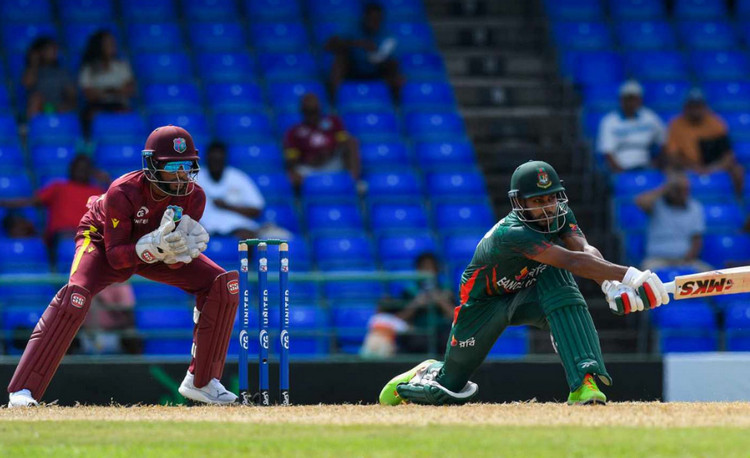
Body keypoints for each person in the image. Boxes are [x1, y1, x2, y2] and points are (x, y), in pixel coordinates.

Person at [378, 160, 671, 406]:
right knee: (449, 390)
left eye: (552, 198)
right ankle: (427, 373)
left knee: (558, 282)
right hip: (486, 303)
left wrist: (611, 285)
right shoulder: (514, 233)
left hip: (530, 290)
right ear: (520, 203)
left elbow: (584, 249)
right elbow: (573, 261)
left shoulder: (560, 214)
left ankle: (584, 384)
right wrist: (632, 276)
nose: (547, 208)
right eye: (538, 201)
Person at [7, 125, 240, 407]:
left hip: (153, 251)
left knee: (222, 283)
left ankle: (202, 382)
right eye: (173, 166)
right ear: (152, 165)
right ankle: (23, 391)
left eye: (187, 165)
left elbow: (176, 266)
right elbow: (117, 257)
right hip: (102, 242)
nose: (181, 175)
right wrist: (151, 246)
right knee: (75, 297)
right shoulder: (123, 190)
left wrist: (177, 254)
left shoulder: (195, 196)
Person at [0, 155, 107, 261]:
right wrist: (4, 203)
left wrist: (107, 181)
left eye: (85, 168)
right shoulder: (58, 188)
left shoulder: (98, 192)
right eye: (78, 168)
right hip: (62, 237)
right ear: (71, 169)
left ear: (91, 171)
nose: (81, 171)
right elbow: (30, 201)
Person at [361, 252, 455, 357]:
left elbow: (456, 317)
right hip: (417, 333)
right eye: (424, 267)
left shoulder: (446, 289)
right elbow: (399, 319)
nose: (428, 271)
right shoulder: (409, 290)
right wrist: (416, 304)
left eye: (431, 267)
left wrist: (441, 302)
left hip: (442, 332)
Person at [664, 88, 744, 195]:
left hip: (713, 165)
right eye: (692, 106)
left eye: (699, 106)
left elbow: (728, 155)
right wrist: (693, 167)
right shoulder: (676, 125)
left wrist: (713, 168)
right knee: (670, 173)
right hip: (686, 167)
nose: (695, 110)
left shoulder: (716, 123)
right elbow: (673, 156)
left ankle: (737, 203)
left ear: (705, 107)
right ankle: (678, 208)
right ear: (686, 107)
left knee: (738, 171)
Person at [636, 171, 713, 272]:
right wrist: (665, 187)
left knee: (710, 274)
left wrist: (685, 263)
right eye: (677, 190)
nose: (681, 193)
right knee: (645, 274)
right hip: (657, 260)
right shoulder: (657, 204)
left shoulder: (695, 207)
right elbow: (640, 201)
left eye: (685, 190)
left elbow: (697, 240)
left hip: (685, 260)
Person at [326, 2, 404, 100]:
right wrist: (358, 44)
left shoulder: (387, 37)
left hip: (377, 71)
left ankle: (395, 105)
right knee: (340, 58)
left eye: (378, 19)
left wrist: (380, 55)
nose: (375, 22)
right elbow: (329, 46)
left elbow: (392, 60)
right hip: (354, 69)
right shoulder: (353, 30)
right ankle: (334, 101)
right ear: (365, 18)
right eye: (372, 19)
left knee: (396, 70)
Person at [283, 93, 360, 188]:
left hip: (332, 162)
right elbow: (291, 159)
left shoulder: (333, 122)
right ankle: (302, 198)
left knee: (352, 142)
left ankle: (354, 183)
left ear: (320, 109)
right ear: (302, 111)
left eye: (314, 111)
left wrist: (328, 152)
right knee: (292, 175)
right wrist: (311, 158)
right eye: (308, 112)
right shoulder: (294, 132)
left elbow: (343, 141)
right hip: (309, 168)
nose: (312, 115)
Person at [196, 141, 265, 240]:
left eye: (219, 160)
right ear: (207, 159)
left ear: (225, 159)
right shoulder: (195, 178)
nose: (216, 163)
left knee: (248, 238)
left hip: (235, 225)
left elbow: (257, 210)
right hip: (203, 226)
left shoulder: (238, 177)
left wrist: (227, 206)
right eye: (213, 160)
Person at [596, 80, 665, 173]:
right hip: (621, 168)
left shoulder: (650, 117)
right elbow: (607, 152)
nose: (631, 102)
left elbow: (664, 142)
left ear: (640, 100)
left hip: (646, 167)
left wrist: (657, 163)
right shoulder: (610, 121)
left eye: (634, 98)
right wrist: (620, 171)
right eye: (628, 99)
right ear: (621, 100)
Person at [78, 30, 136, 137]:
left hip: (119, 105)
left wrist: (103, 91)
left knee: (128, 115)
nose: (112, 46)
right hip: (97, 106)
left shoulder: (122, 66)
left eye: (113, 43)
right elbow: (89, 95)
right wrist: (114, 90)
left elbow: (129, 90)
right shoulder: (89, 69)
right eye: (108, 44)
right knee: (90, 116)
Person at [21, 36, 77, 120]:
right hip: (39, 107)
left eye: (55, 50)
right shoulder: (32, 71)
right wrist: (34, 62)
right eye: (50, 49)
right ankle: (31, 128)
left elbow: (72, 94)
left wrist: (65, 105)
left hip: (57, 107)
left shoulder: (62, 72)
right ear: (40, 52)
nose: (54, 52)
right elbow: (27, 84)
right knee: (35, 99)